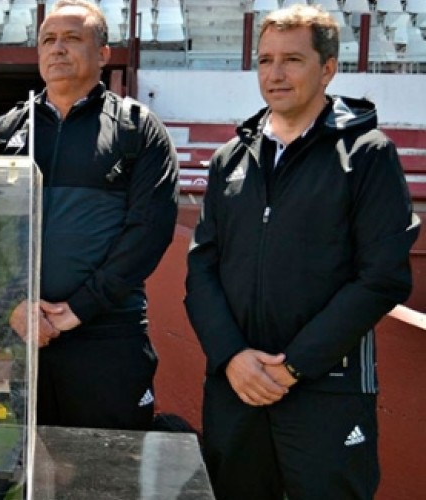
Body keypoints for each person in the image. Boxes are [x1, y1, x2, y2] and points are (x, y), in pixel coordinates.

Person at [184, 5, 419, 499]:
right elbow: (201, 269)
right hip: (235, 388)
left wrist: (293, 366)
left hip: (326, 391)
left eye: (292, 59)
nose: (275, 73)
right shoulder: (231, 158)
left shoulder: (368, 154)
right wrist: (231, 357)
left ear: (327, 68)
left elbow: (383, 278)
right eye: (266, 60)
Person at [0, 0, 179, 430]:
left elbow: (149, 232)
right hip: (27, 335)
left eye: (73, 39)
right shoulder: (5, 131)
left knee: (109, 475)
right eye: (48, 40)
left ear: (104, 54)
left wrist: (80, 308)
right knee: (34, 471)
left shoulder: (137, 129)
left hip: (108, 337)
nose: (58, 49)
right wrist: (13, 306)